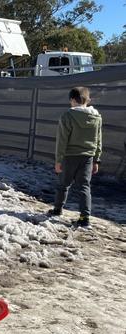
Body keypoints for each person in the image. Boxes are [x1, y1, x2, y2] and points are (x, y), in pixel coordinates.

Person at [48, 86, 102, 228]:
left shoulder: (67, 116)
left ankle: (57, 209)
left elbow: (62, 141)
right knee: (84, 186)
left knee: (63, 185)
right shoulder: (96, 116)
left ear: (72, 99)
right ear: (87, 100)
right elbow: (98, 140)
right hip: (88, 157)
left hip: (69, 157)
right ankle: (85, 218)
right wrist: (97, 159)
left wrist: (58, 160)